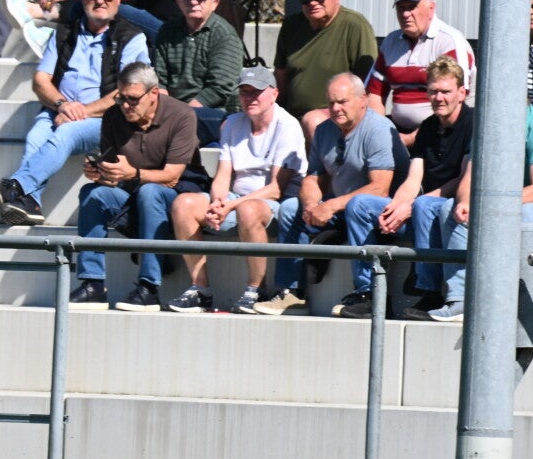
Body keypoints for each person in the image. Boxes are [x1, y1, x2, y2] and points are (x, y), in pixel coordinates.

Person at [0, 0, 149, 226]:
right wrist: (63, 105)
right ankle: (31, 204)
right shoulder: (65, 32)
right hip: (61, 110)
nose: (100, 0)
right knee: (37, 135)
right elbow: (41, 80)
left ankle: (17, 186)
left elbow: (127, 92)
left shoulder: (131, 38)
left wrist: (81, 112)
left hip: (108, 120)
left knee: (66, 133)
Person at [416, 102, 533, 325]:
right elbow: (468, 177)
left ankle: (525, 301)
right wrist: (465, 202)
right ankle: (460, 300)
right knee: (450, 208)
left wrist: (489, 205)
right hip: (508, 200)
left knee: (526, 213)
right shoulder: (488, 126)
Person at [166, 65, 306, 315]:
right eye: (244, 92)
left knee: (248, 210)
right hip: (236, 201)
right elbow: (223, 175)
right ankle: (200, 290)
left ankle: (256, 290)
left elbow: (276, 189)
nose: (249, 98)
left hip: (273, 206)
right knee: (183, 204)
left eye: (256, 92)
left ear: (274, 93)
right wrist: (217, 203)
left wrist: (230, 205)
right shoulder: (232, 122)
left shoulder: (288, 125)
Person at [67, 63, 201, 312]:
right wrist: (99, 173)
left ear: (154, 94)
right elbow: (114, 176)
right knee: (93, 194)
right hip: (133, 194)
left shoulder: (182, 115)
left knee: (150, 192)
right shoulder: (113, 116)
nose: (126, 105)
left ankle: (149, 288)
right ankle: (93, 284)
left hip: (177, 200)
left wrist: (134, 174)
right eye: (121, 98)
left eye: (133, 99)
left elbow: (172, 177)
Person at [274, 72, 407, 318]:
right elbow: (313, 177)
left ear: (362, 100)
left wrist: (331, 205)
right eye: (331, 102)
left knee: (359, 204)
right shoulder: (324, 130)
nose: (335, 108)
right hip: (344, 207)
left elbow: (380, 188)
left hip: (386, 211)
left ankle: (369, 294)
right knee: (291, 208)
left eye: (342, 102)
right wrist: (312, 204)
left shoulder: (378, 129)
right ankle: (291, 293)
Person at [371, 56, 474, 318]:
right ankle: (367, 294)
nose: (438, 98)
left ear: (462, 93)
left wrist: (414, 204)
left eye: (446, 91)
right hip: (424, 205)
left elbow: (463, 179)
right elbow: (413, 178)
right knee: (362, 205)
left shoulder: (473, 123)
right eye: (433, 91)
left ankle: (429, 291)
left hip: (453, 204)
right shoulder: (427, 126)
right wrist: (397, 206)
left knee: (425, 205)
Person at [366, 0, 475, 146]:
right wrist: (379, 134)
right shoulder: (390, 42)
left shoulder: (450, 41)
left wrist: (411, 139)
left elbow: (455, 101)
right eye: (401, 8)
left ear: (431, 8)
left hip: (444, 136)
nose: (405, 14)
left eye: (412, 7)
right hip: (398, 134)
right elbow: (374, 95)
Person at [273, 0, 377, 138]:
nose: (312, 3)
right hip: (293, 115)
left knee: (312, 121)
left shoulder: (354, 25)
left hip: (336, 114)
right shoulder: (291, 26)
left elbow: (367, 84)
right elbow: (280, 76)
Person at [151, 0, 245, 144]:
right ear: (178, 0)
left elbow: (219, 88)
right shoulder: (167, 31)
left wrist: (179, 116)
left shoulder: (224, 35)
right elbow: (160, 79)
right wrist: (167, 111)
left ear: (214, 2)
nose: (193, 1)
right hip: (172, 112)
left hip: (213, 112)